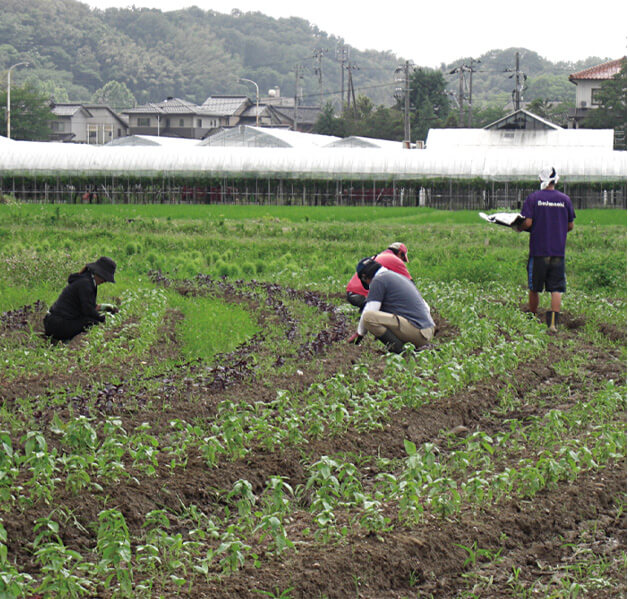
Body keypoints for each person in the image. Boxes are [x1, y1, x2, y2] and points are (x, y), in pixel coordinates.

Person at [518, 167, 575, 332]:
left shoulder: (534, 198)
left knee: (534, 287)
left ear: (540, 180)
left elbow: (527, 223)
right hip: (557, 251)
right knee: (556, 288)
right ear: (555, 180)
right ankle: (553, 324)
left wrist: (519, 226)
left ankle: (532, 318)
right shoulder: (565, 199)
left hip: (538, 251)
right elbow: (570, 225)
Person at [347, 256, 435, 353]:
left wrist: (359, 334)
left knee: (368, 318)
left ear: (365, 277)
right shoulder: (397, 277)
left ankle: (400, 350)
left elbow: (369, 311)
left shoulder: (379, 280)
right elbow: (426, 306)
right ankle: (409, 345)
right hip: (427, 331)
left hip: (418, 334)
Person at [44, 256, 118, 342]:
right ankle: (65, 341)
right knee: (91, 322)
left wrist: (107, 308)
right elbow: (88, 310)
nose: (105, 281)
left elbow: (90, 306)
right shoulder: (85, 284)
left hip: (53, 322)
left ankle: (62, 341)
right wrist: (102, 319)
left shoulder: (87, 280)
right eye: (105, 278)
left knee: (91, 319)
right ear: (98, 273)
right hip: (58, 325)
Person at [345, 242, 412, 310]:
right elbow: (410, 284)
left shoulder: (380, 256)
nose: (402, 262)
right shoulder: (395, 259)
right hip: (362, 294)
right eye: (403, 259)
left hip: (352, 292)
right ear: (400, 253)